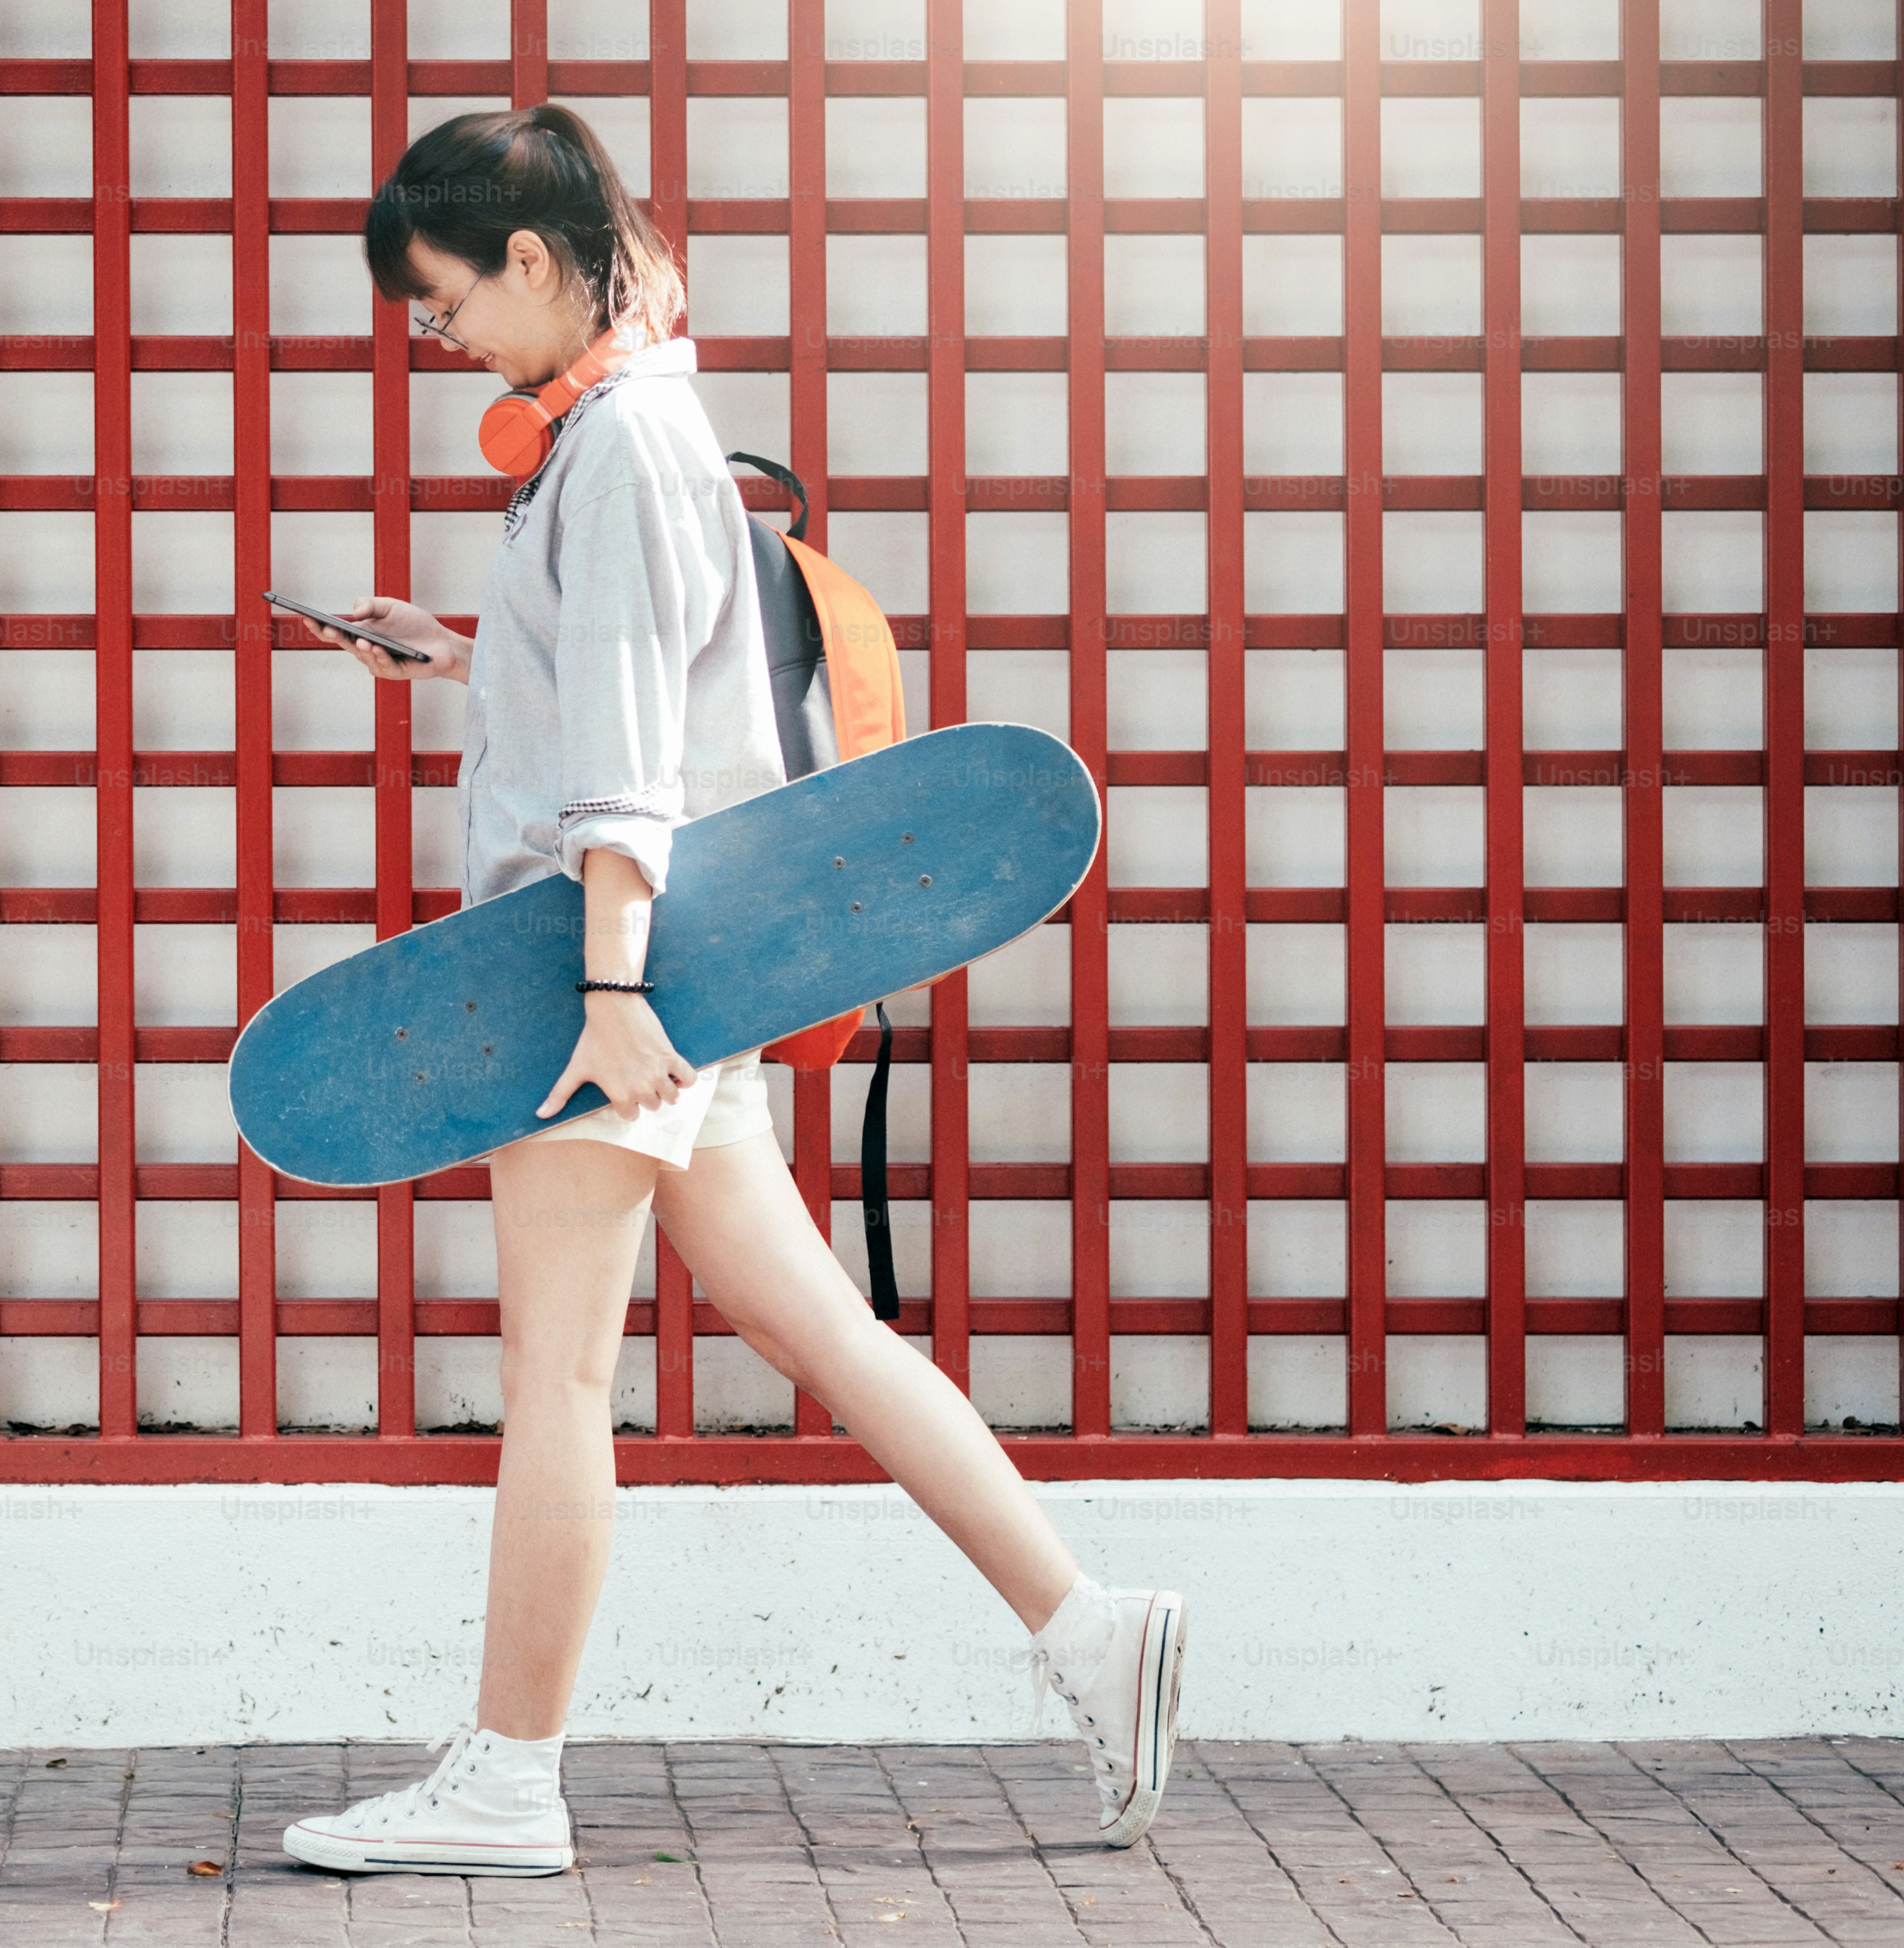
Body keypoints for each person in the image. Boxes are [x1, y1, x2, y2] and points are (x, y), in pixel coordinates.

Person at [269, 103, 1186, 1879]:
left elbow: (628, 773)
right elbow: (641, 688)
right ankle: (1092, 1628)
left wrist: (610, 994)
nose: (437, 335)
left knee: (556, 1383)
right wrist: (461, 652)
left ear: (530, 262)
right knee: (826, 1334)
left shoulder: (620, 445)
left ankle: (508, 1781)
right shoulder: (637, 424)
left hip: (599, 978)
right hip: (684, 969)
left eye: (446, 301)